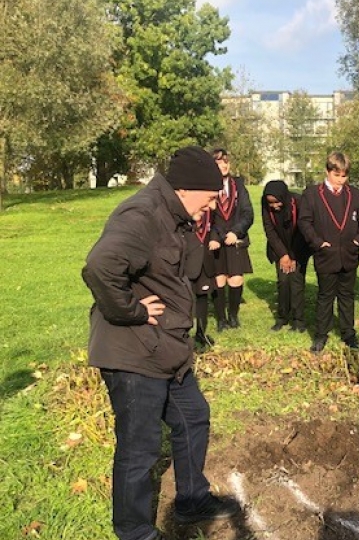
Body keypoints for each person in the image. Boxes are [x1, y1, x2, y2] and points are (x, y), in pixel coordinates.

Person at [82, 146, 240, 540]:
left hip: (168, 347)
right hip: (133, 350)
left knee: (193, 417)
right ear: (187, 189)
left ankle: (191, 501)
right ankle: (134, 530)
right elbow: (101, 266)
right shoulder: (144, 214)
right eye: (209, 197)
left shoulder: (177, 216)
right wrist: (131, 310)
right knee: (140, 449)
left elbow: (181, 268)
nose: (213, 205)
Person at [299, 152, 359, 353]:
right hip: (326, 254)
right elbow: (304, 221)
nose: (340, 180)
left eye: (344, 176)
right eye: (336, 175)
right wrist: (318, 243)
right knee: (325, 296)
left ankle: (349, 333)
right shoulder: (312, 194)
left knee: (347, 295)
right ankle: (321, 334)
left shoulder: (354, 194)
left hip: (349, 253)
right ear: (327, 171)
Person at [211, 148, 254, 331]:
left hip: (236, 240)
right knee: (219, 280)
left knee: (235, 279)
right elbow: (205, 217)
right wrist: (215, 237)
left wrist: (236, 232)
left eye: (226, 162)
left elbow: (247, 213)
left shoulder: (239, 185)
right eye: (219, 163)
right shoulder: (207, 187)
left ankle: (233, 316)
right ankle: (221, 319)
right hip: (216, 241)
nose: (224, 165)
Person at [262, 180, 311, 332]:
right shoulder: (265, 205)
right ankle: (282, 317)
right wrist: (283, 255)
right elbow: (269, 230)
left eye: (277, 202)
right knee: (283, 281)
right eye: (271, 203)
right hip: (279, 247)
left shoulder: (299, 202)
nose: (275, 206)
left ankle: (299, 320)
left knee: (296, 281)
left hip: (299, 246)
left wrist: (293, 256)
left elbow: (302, 231)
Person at [191, 211, 219, 352]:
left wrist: (214, 238)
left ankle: (201, 334)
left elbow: (215, 225)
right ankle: (181, 336)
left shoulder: (209, 211)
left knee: (202, 298)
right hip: (186, 263)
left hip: (205, 262)